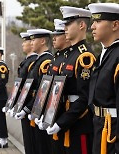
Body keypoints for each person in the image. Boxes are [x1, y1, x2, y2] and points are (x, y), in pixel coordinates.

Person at [46, 6, 96, 154]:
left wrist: (62, 122)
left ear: (81, 25)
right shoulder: (68, 55)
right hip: (63, 117)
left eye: (68, 24)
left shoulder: (84, 56)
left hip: (78, 123)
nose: (65, 28)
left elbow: (85, 97)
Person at [15, 29, 53, 154]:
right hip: (33, 106)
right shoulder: (39, 60)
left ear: (42, 41)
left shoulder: (46, 61)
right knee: (33, 144)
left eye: (33, 40)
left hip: (39, 108)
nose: (31, 42)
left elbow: (43, 90)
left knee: (41, 146)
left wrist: (27, 108)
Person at [88, 3, 119, 154]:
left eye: (98, 21)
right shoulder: (104, 54)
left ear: (115, 25)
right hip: (100, 127)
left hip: (113, 134)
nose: (92, 26)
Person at [37, 18, 71, 154]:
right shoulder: (56, 58)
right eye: (54, 35)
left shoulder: (78, 57)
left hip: (67, 113)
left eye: (58, 35)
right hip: (54, 111)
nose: (54, 38)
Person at [13, 32, 37, 154]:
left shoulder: (34, 61)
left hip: (30, 103)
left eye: (26, 41)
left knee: (33, 141)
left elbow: (31, 86)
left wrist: (26, 107)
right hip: (24, 102)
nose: (23, 44)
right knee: (28, 139)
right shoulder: (27, 61)